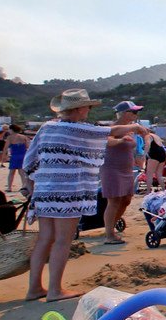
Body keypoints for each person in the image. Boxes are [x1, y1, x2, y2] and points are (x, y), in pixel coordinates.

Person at [22, 90, 109, 302]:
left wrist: (31, 187)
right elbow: (108, 134)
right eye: (87, 106)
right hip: (67, 192)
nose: (89, 110)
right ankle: (55, 290)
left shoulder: (47, 128)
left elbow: (29, 161)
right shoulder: (78, 129)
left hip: (44, 191)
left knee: (45, 239)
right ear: (79, 108)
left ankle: (34, 288)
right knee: (63, 240)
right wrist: (134, 127)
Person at [99, 100, 148, 245]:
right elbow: (108, 142)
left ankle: (111, 227)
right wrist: (121, 141)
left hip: (126, 168)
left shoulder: (130, 128)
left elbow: (143, 138)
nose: (136, 114)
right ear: (125, 113)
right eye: (134, 112)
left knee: (126, 199)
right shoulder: (114, 128)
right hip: (111, 168)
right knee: (114, 200)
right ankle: (109, 234)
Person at [3, 123, 30, 193]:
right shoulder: (23, 137)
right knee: (22, 173)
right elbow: (28, 147)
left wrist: (4, 156)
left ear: (12, 129)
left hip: (14, 156)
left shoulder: (10, 137)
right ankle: (24, 186)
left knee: (11, 172)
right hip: (22, 155)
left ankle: (9, 187)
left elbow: (6, 147)